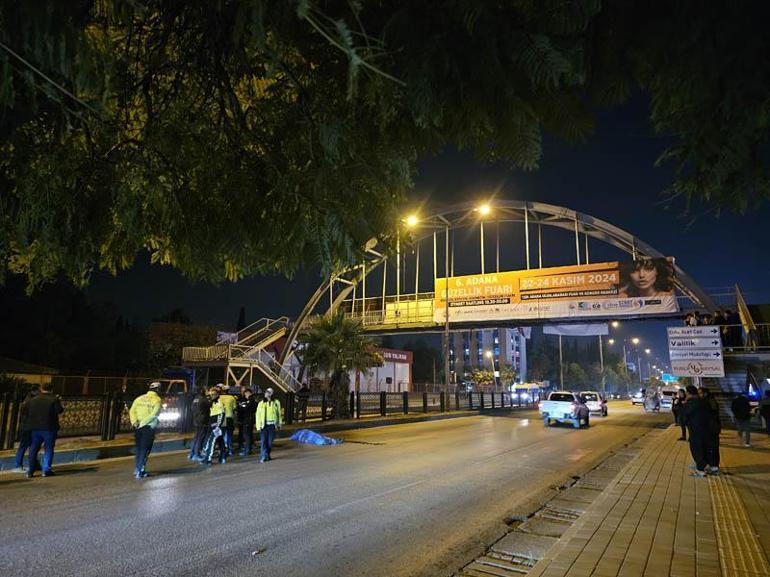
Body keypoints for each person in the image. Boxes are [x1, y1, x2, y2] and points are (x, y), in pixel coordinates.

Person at [24, 382, 65, 478]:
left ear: (41, 389)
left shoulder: (33, 400)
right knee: (49, 448)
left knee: (33, 448)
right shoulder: (54, 399)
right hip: (49, 428)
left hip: (35, 428)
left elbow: (25, 410)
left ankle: (30, 470)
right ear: (51, 389)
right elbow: (59, 410)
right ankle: (46, 469)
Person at [128, 382, 162, 479]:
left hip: (138, 427)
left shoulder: (139, 398)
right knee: (145, 449)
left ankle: (137, 468)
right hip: (148, 427)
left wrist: (135, 422)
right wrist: (143, 423)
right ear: (158, 390)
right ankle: (140, 471)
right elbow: (154, 414)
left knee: (139, 448)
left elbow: (132, 411)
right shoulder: (157, 400)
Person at [682, 385, 712, 477]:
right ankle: (704, 465)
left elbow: (683, 416)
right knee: (704, 447)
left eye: (686, 392)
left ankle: (700, 470)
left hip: (695, 430)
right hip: (706, 429)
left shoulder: (691, 404)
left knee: (696, 449)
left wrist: (685, 404)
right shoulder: (704, 402)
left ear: (689, 393)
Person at [12, 385, 41, 473]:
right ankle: (18, 465)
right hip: (29, 427)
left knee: (31, 446)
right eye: (38, 390)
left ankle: (34, 464)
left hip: (27, 426)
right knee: (25, 446)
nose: (40, 392)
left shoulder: (28, 401)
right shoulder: (31, 402)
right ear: (33, 391)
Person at [200, 386, 227, 465]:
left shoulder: (219, 403)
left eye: (214, 394)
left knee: (212, 441)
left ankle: (208, 459)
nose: (212, 396)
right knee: (220, 442)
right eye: (211, 394)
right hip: (213, 424)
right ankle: (223, 457)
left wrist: (217, 427)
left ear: (217, 394)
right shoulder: (212, 402)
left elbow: (221, 415)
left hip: (216, 426)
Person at [256, 387, 282, 463]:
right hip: (264, 425)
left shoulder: (276, 402)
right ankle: (264, 456)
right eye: (266, 392)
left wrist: (279, 423)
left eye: (269, 392)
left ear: (272, 394)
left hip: (272, 425)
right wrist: (258, 425)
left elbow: (279, 414)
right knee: (264, 441)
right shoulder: (261, 403)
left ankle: (267, 454)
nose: (267, 394)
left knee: (270, 442)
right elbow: (258, 415)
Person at [699, 388, 721, 475]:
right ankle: (712, 465)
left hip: (711, 428)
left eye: (700, 393)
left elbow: (712, 415)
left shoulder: (709, 401)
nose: (699, 395)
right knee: (710, 447)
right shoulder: (708, 401)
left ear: (705, 393)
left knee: (712, 448)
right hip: (710, 428)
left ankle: (714, 467)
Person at [188, 387, 211, 460]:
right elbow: (210, 404)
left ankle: (192, 454)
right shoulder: (204, 399)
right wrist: (208, 396)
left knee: (196, 437)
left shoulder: (195, 399)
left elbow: (192, 408)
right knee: (200, 438)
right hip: (202, 420)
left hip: (196, 420)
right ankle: (197, 454)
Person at [217, 384, 237, 456]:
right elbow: (234, 408)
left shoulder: (219, 398)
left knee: (221, 434)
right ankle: (230, 450)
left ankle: (222, 450)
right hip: (229, 417)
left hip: (221, 418)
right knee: (229, 435)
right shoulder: (232, 398)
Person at [236, 388, 257, 455]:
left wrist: (244, 406)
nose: (247, 394)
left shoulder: (252, 400)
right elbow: (239, 409)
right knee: (247, 435)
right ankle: (248, 448)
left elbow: (248, 409)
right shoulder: (242, 400)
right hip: (244, 420)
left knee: (247, 435)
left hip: (248, 420)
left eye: (248, 393)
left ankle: (247, 450)